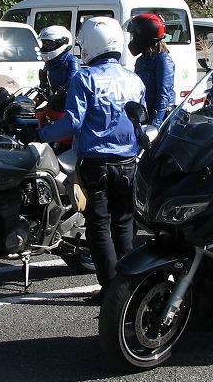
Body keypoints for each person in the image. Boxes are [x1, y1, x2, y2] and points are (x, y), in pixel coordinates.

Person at [39, 17, 145, 300]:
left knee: (99, 226)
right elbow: (141, 119)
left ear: (90, 45)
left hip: (95, 162)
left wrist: (42, 133)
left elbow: (72, 122)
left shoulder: (85, 78)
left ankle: (111, 289)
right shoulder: (134, 79)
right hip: (128, 162)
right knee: (124, 224)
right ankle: (131, 287)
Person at [128, 12, 175, 128]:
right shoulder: (142, 60)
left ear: (144, 37)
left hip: (160, 118)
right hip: (144, 114)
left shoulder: (162, 60)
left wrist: (154, 126)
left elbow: (163, 97)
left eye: (134, 36)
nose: (132, 40)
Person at [38, 25, 79, 111]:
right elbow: (44, 87)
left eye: (50, 44)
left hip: (66, 108)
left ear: (62, 43)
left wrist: (58, 96)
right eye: (44, 44)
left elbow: (72, 86)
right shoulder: (49, 62)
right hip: (52, 105)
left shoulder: (71, 60)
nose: (46, 47)